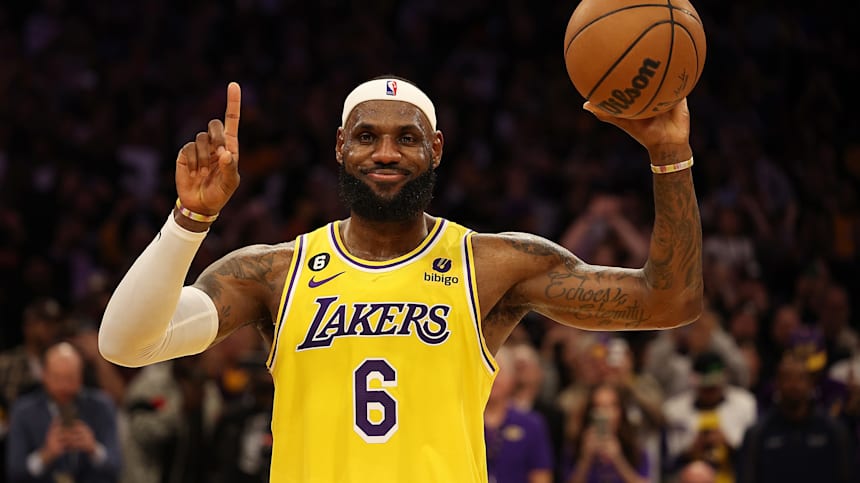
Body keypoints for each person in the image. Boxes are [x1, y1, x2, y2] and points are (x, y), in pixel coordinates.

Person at [98, 78, 703, 482]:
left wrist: (670, 157)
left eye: (406, 138)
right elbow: (126, 345)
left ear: (435, 148)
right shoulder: (273, 273)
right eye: (367, 137)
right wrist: (190, 220)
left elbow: (669, 300)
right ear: (340, 147)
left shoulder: (493, 265)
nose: (385, 152)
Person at [5, 342, 121, 483]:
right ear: (44, 375)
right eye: (58, 378)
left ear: (81, 376)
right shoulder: (23, 410)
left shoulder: (101, 405)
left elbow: (116, 466)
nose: (64, 386)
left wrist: (93, 449)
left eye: (70, 378)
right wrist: (46, 454)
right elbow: (15, 473)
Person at [735, 354, 855, 483]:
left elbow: (847, 476)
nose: (794, 385)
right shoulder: (758, 434)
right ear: (777, 384)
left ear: (811, 384)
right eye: (787, 378)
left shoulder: (834, 431)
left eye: (800, 378)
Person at [484, 346, 554, 483]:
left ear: (512, 378)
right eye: (486, 372)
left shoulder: (531, 424)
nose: (493, 379)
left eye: (499, 371)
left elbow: (540, 475)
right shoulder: (463, 423)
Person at [562, 383, 650, 483]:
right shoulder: (575, 448)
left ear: (620, 412)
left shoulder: (635, 449)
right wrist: (585, 459)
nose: (604, 413)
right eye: (598, 406)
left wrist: (618, 459)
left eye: (610, 406)